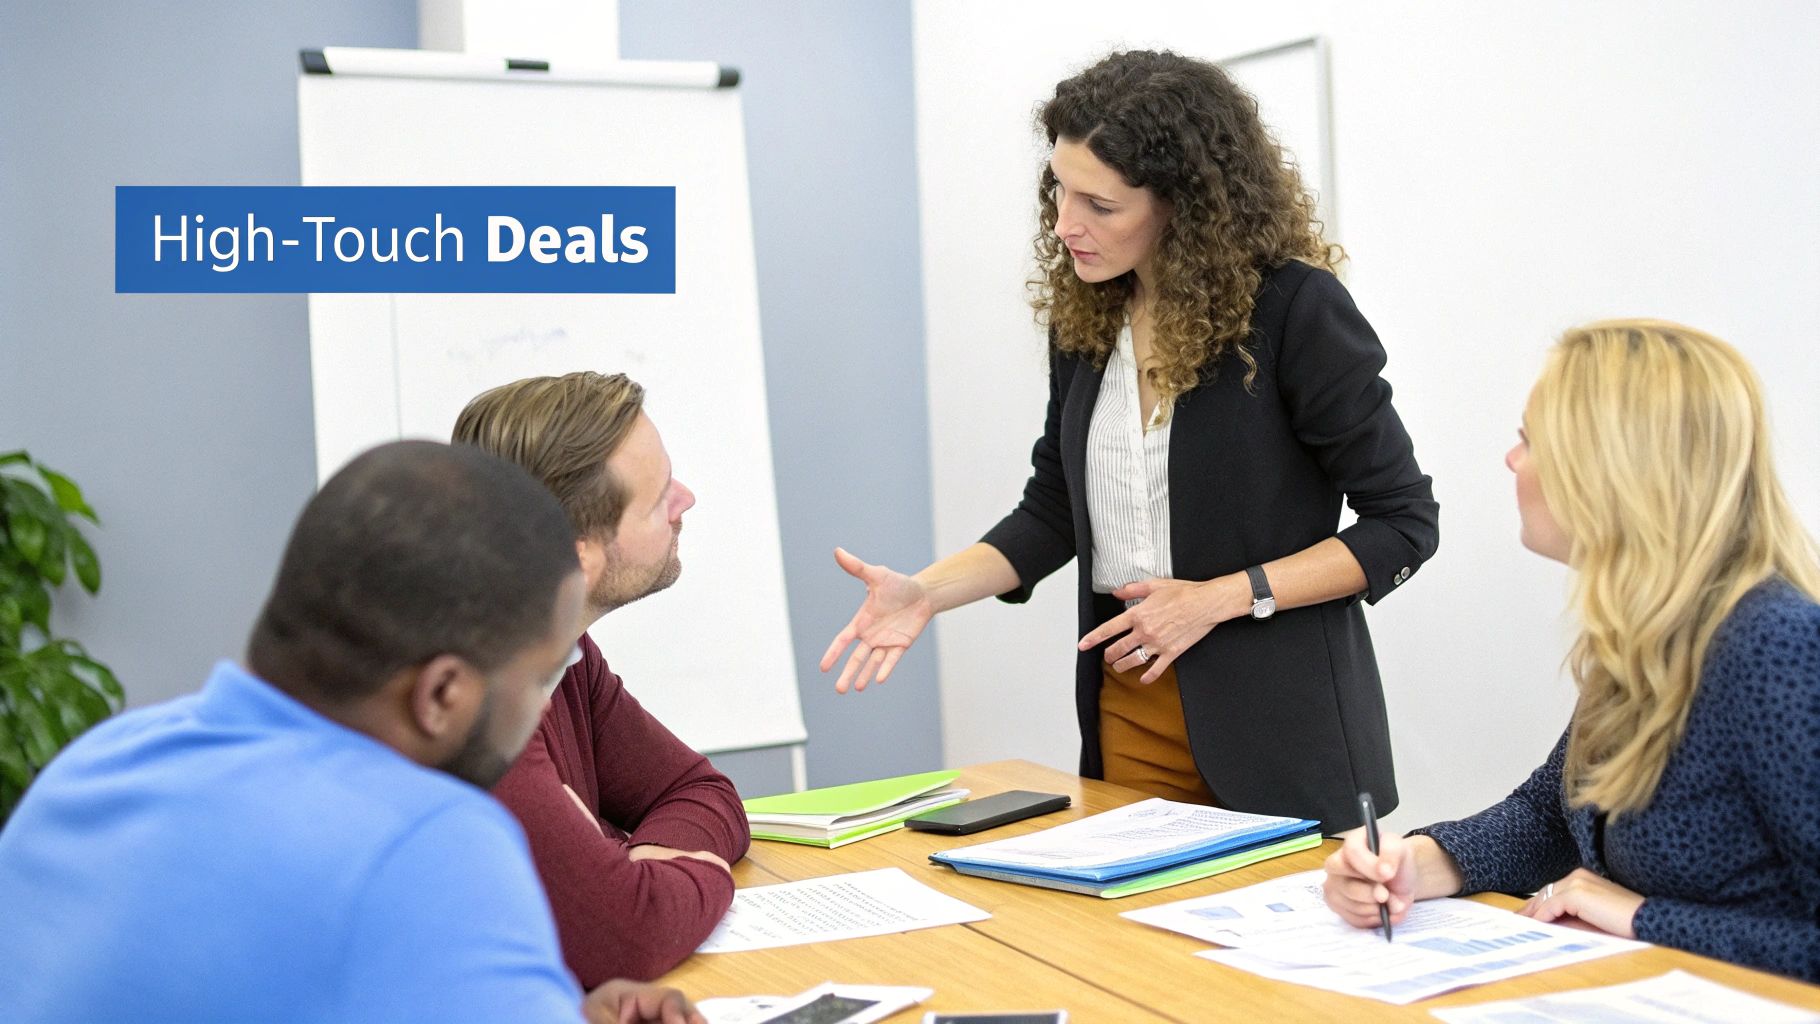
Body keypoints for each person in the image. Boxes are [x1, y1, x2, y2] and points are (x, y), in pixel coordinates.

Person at [822, 49, 1438, 831]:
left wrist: (1217, 600)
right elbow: (1053, 510)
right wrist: (928, 593)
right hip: (1128, 702)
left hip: (1280, 730)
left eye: (1100, 205)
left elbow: (1404, 523)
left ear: (1185, 204)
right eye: (1059, 191)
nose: (1065, 225)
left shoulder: (1294, 311)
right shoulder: (1087, 317)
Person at [0, 441, 703, 1024]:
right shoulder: (427, 842)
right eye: (542, 676)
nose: (544, 707)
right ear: (443, 695)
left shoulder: (95, 766)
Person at [1323, 320, 1820, 982]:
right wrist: (1418, 862)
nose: (1511, 460)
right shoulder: (1650, 629)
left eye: (1530, 440)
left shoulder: (1777, 646)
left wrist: (1643, 917)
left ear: (1609, 470)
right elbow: (1552, 819)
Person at [453, 371, 750, 984]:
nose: (685, 500)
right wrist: (700, 873)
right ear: (580, 554)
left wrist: (630, 861)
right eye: (658, 494)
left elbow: (700, 791)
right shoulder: (475, 700)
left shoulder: (563, 655)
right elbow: (627, 937)